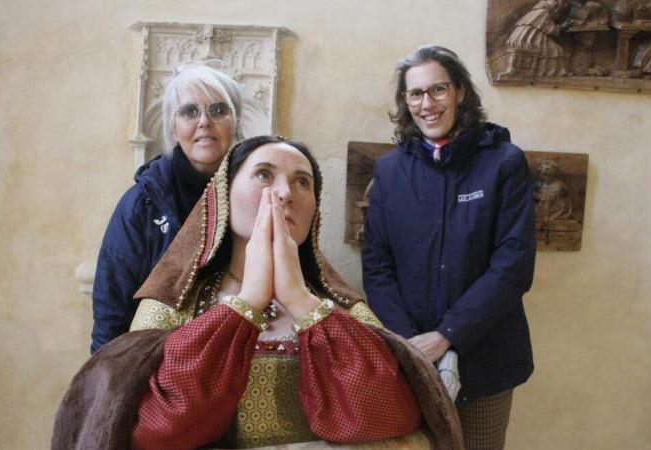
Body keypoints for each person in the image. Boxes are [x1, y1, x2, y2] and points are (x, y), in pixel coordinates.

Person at [54, 136, 464, 450]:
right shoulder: (173, 301)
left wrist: (301, 300)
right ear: (223, 197)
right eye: (265, 175)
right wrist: (247, 303)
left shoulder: (340, 306)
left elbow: (388, 413)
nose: (284, 193)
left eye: (302, 182)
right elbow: (153, 428)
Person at [362, 46, 536, 450]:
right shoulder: (389, 170)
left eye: (438, 89)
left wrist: (447, 335)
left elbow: (513, 265)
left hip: (487, 359)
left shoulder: (504, 162)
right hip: (408, 358)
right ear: (405, 102)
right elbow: (376, 265)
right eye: (416, 93)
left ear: (459, 91)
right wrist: (411, 344)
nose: (428, 104)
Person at [91, 60, 253, 353]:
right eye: (189, 111)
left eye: (218, 110)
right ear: (174, 127)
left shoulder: (259, 194)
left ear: (236, 121)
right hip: (158, 361)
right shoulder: (141, 204)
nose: (204, 121)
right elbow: (112, 313)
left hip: (242, 360)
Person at [505, 0, 574, 77]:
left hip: (526, 36)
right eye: (562, 4)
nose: (562, 7)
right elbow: (550, 29)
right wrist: (563, 27)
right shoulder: (543, 12)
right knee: (556, 51)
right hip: (530, 39)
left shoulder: (536, 11)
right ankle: (548, 73)